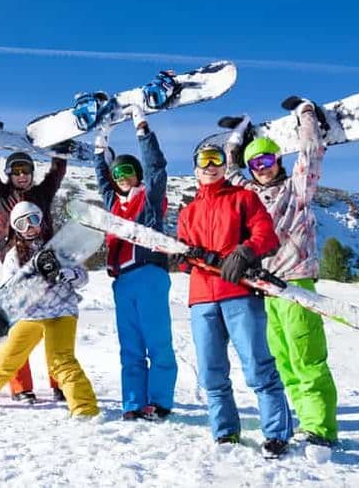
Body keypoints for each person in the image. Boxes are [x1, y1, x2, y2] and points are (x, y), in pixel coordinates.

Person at [224, 101, 338, 447]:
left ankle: (320, 428)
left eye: (267, 160)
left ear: (278, 161)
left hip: (296, 282)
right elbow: (230, 171)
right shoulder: (250, 195)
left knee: (306, 357)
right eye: (255, 164)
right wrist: (237, 137)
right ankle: (305, 420)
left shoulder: (297, 188)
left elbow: (311, 154)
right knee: (283, 361)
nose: (262, 168)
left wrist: (306, 114)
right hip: (265, 289)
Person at [177, 142, 293, 458]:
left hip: (239, 293)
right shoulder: (188, 212)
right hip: (202, 298)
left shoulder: (244, 198)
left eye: (216, 159)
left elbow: (266, 235)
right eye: (204, 161)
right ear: (195, 169)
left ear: (224, 166)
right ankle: (225, 432)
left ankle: (277, 434)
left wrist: (245, 251)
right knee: (211, 372)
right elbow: (185, 256)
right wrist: (184, 260)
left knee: (257, 366)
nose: (210, 166)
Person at [0, 202, 99, 417]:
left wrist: (72, 275)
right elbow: (9, 289)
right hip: (31, 315)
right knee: (7, 358)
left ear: (41, 221)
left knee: (61, 361)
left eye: (33, 220)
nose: (29, 228)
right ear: (16, 229)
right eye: (21, 224)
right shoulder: (14, 256)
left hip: (62, 311)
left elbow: (83, 277)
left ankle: (85, 409)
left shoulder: (60, 248)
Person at [0, 101, 65, 403]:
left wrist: (61, 146)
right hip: (15, 269)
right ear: (9, 174)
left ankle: (60, 382)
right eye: (17, 171)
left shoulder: (42, 194)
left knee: (53, 325)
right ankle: (21, 387)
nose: (22, 175)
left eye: (27, 170)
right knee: (17, 329)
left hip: (45, 267)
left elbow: (57, 173)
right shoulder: (1, 196)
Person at [93, 105, 177, 421]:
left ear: (137, 174)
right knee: (130, 347)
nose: (122, 177)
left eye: (127, 171)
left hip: (149, 274)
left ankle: (159, 401)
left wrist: (142, 130)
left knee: (157, 342)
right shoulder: (114, 204)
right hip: (122, 282)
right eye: (118, 174)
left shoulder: (149, 198)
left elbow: (156, 168)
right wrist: (100, 147)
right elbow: (102, 180)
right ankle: (132, 403)